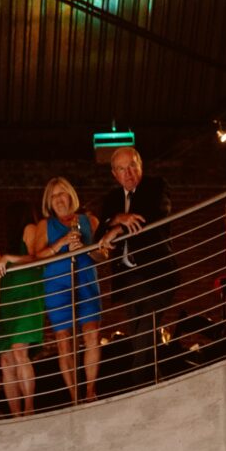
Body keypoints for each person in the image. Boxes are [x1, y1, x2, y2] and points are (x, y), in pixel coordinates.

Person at [96, 145, 177, 390]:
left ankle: (136, 381)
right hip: (128, 277)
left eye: (132, 165)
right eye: (122, 169)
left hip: (157, 272)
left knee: (146, 326)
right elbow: (100, 231)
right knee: (140, 332)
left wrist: (118, 229)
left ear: (140, 165)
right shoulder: (112, 199)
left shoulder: (155, 186)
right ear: (115, 174)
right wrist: (118, 219)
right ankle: (155, 381)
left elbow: (154, 215)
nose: (128, 173)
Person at [38, 176, 102, 403]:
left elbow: (102, 254)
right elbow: (38, 255)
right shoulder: (44, 225)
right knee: (64, 340)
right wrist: (62, 242)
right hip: (57, 282)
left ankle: (90, 392)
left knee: (92, 333)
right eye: (53, 196)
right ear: (49, 201)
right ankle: (74, 396)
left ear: (70, 195)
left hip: (85, 278)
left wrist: (86, 247)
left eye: (62, 193)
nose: (58, 199)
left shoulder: (90, 221)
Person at [0, 203, 44, 416]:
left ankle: (29, 408)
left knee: (19, 350)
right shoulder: (12, 240)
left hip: (26, 297)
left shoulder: (30, 228)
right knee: (5, 359)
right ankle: (15, 414)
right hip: (8, 300)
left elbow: (35, 257)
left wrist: (8, 259)